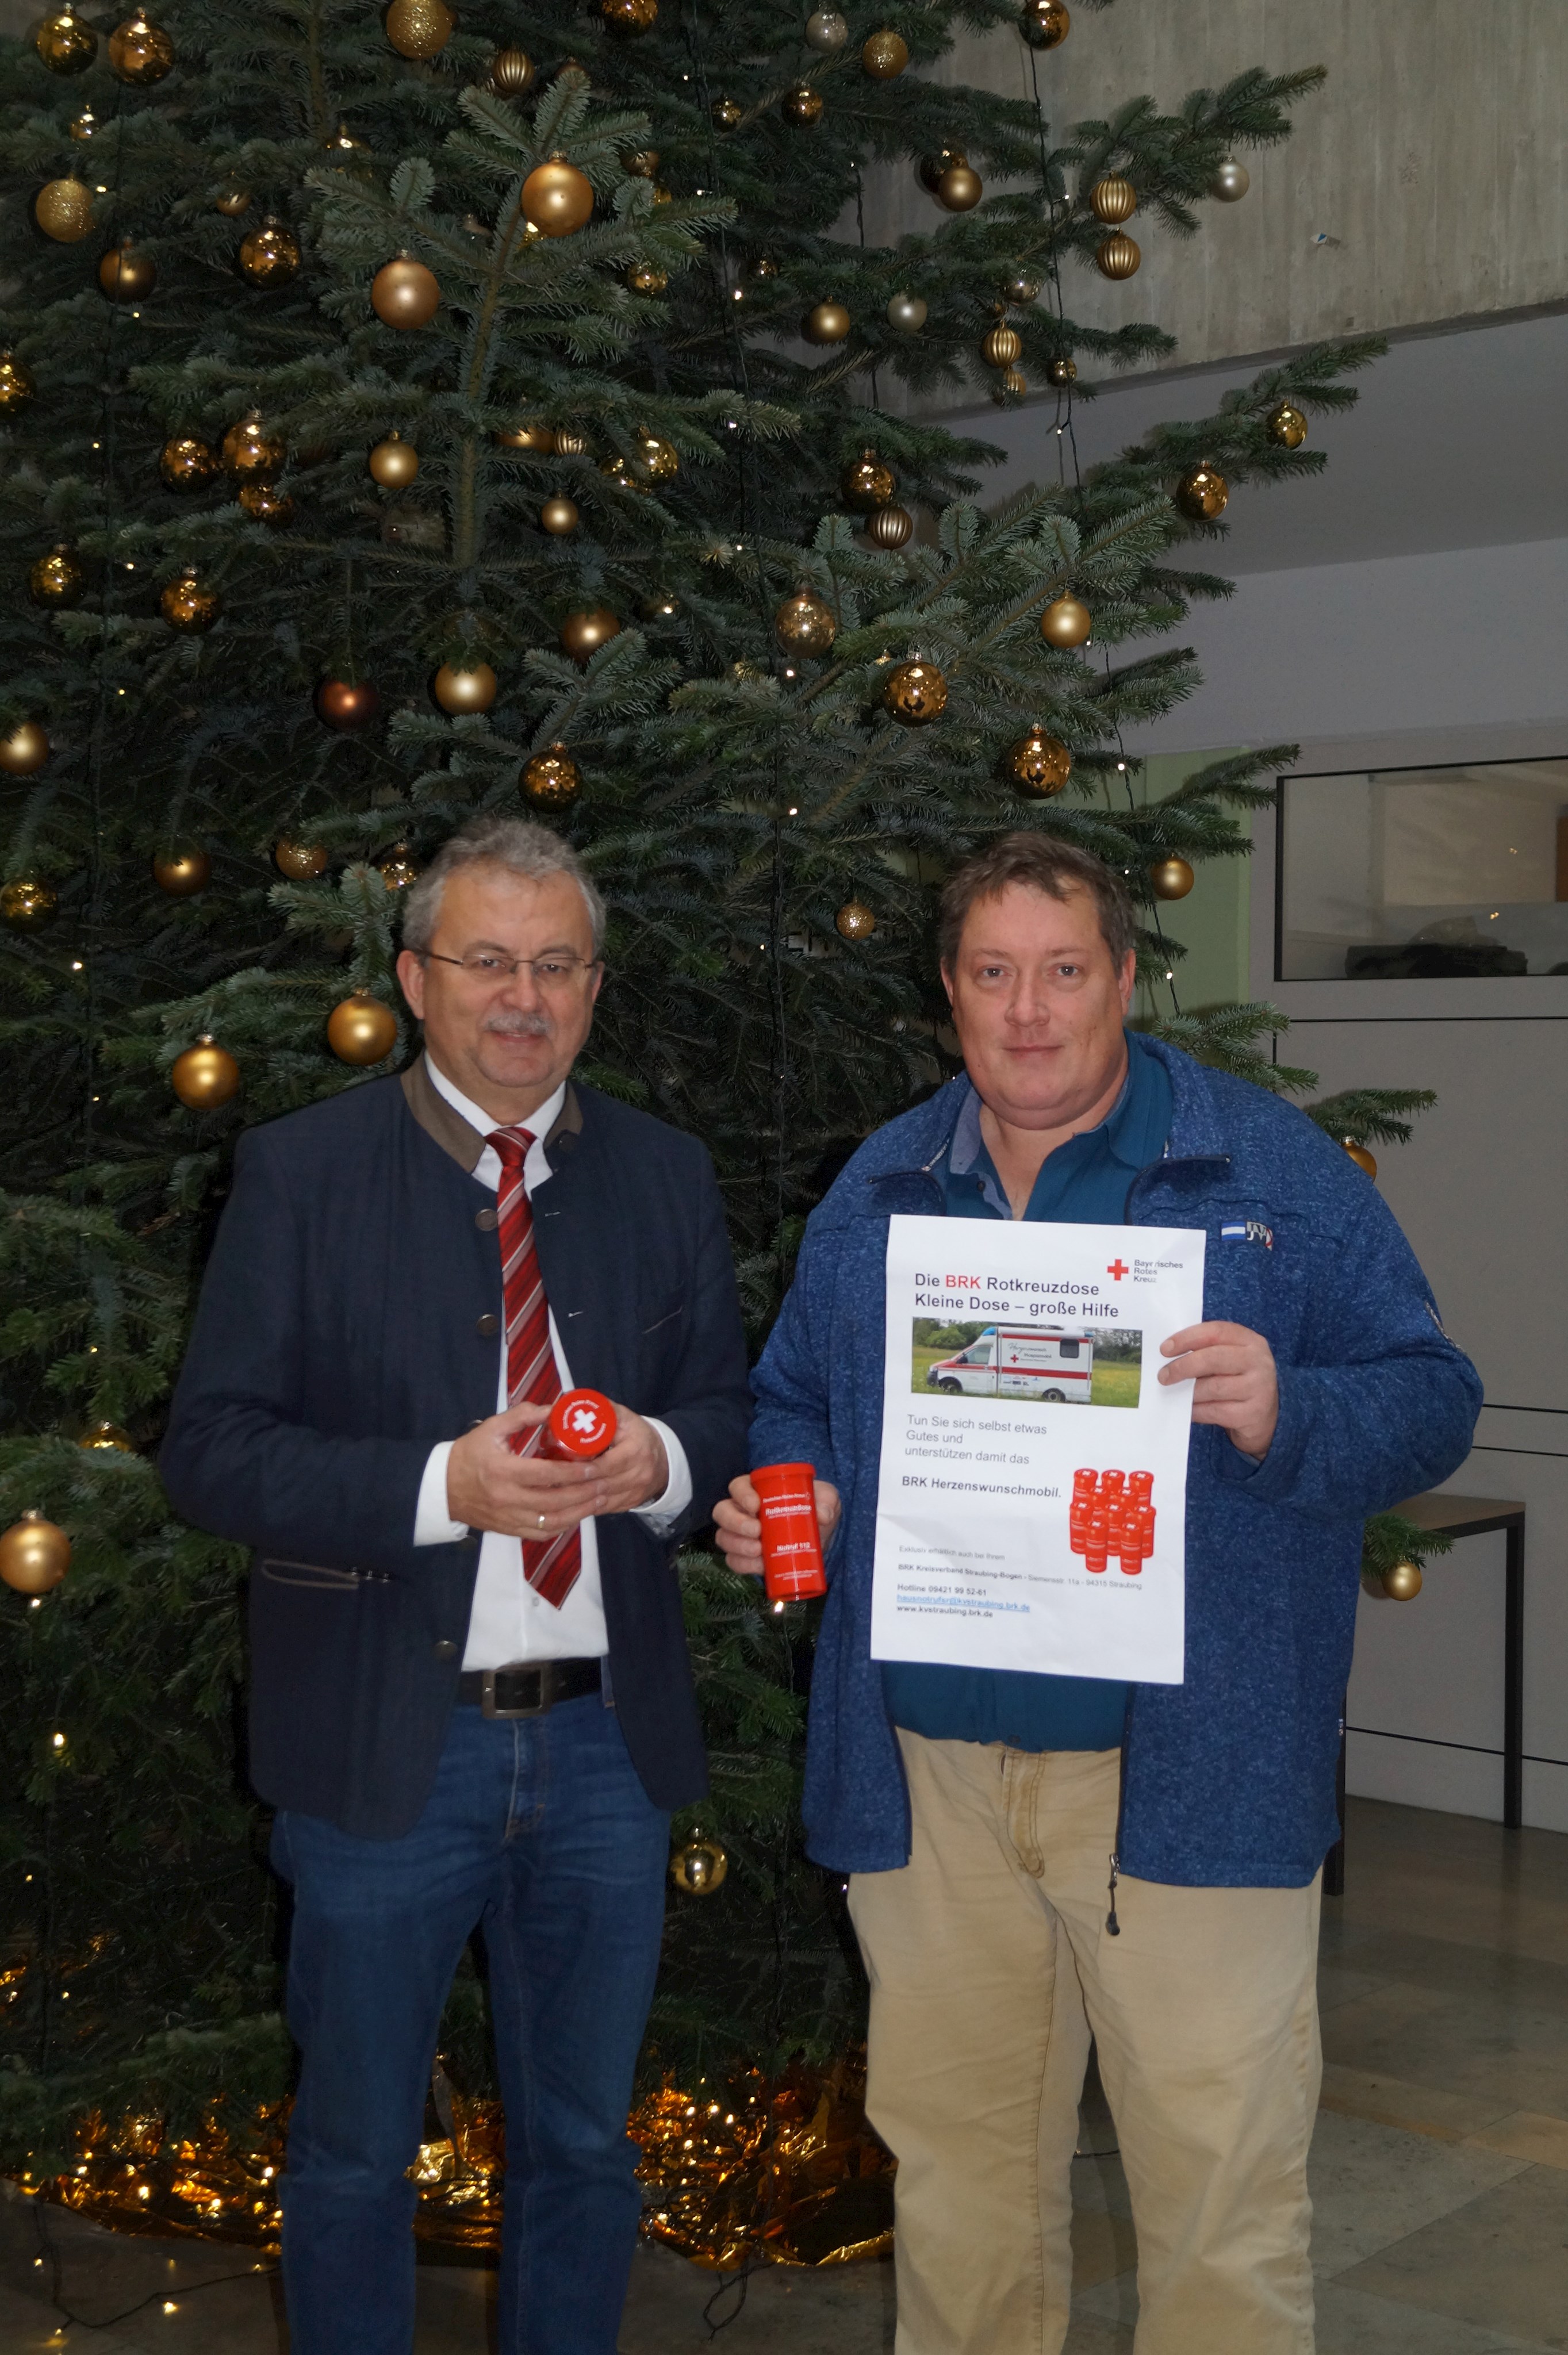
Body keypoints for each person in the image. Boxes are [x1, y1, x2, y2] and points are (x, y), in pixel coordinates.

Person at [714, 833, 1481, 2355]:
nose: (1030, 1013)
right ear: (949, 994)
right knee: (963, 2198)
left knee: (1218, 2208)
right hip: (934, 1785)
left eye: (1064, 972)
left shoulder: (1265, 1174)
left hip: (1185, 1780)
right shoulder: (882, 1187)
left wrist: (1288, 1409)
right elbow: (794, 1398)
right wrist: (796, 1496)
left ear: (1125, 979)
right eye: (992, 975)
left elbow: (1433, 1392)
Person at [162, 815, 751, 2355]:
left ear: (595, 988)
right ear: (416, 980)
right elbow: (213, 1453)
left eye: (557, 965)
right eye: (487, 961)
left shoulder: (665, 1175)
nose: (523, 996)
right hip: (379, 1757)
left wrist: (662, 1465)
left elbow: (731, 1412)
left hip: (609, 1753)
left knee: (583, 2148)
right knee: (353, 2155)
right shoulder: (298, 1173)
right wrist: (440, 1489)